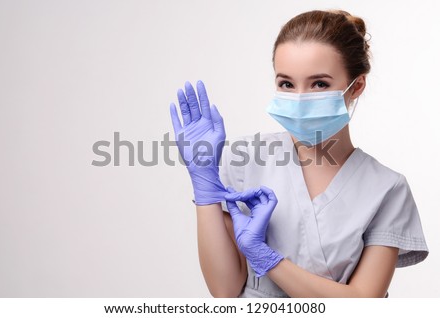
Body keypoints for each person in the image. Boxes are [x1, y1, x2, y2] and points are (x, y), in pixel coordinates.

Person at [169, 10, 428, 298]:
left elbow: (362, 303)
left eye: (319, 84)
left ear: (356, 87)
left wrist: (265, 257)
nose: (300, 99)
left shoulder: (386, 189)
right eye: (287, 84)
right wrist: (204, 184)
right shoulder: (243, 159)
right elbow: (224, 291)